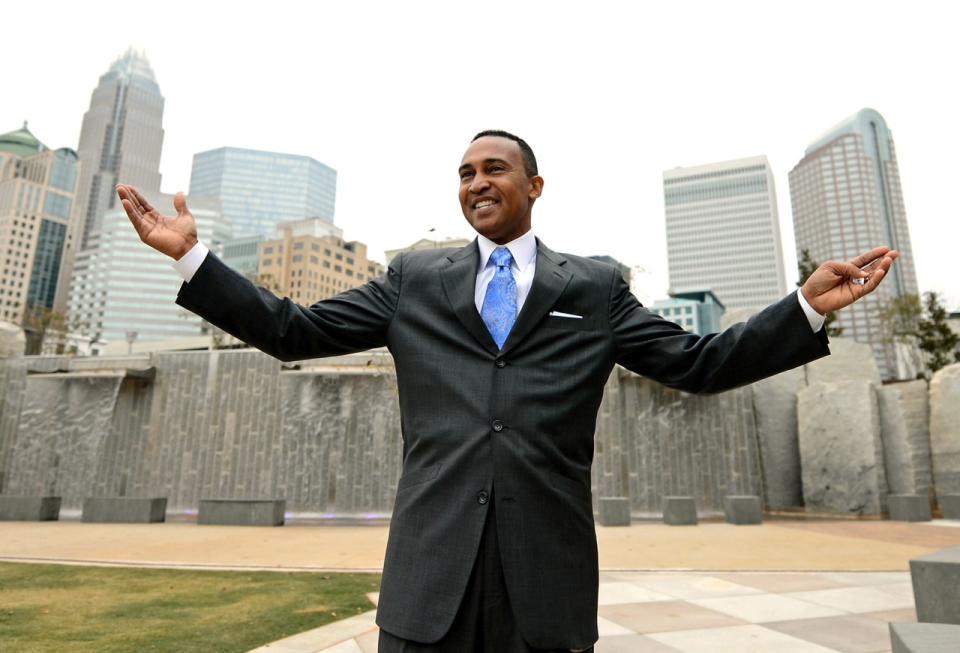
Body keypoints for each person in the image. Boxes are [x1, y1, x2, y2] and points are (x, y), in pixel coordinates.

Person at [117, 130, 897, 653]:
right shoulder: (415, 279)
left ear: (534, 184)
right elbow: (292, 330)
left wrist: (803, 307)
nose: (476, 182)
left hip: (546, 593)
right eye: (464, 173)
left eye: (493, 168)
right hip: (427, 590)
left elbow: (700, 363)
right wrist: (194, 261)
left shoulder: (593, 286)